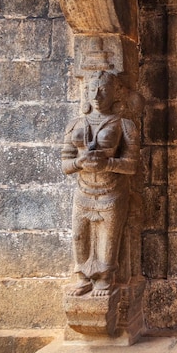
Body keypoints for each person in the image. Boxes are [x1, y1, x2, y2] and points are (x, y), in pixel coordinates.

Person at [61, 71, 139, 297]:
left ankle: (104, 278)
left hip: (112, 192)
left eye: (103, 89)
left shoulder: (124, 125)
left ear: (115, 93)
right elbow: (65, 164)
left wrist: (108, 163)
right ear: (85, 92)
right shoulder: (75, 124)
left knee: (108, 238)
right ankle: (83, 277)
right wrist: (79, 161)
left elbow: (131, 165)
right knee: (79, 236)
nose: (96, 95)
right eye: (92, 89)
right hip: (84, 190)